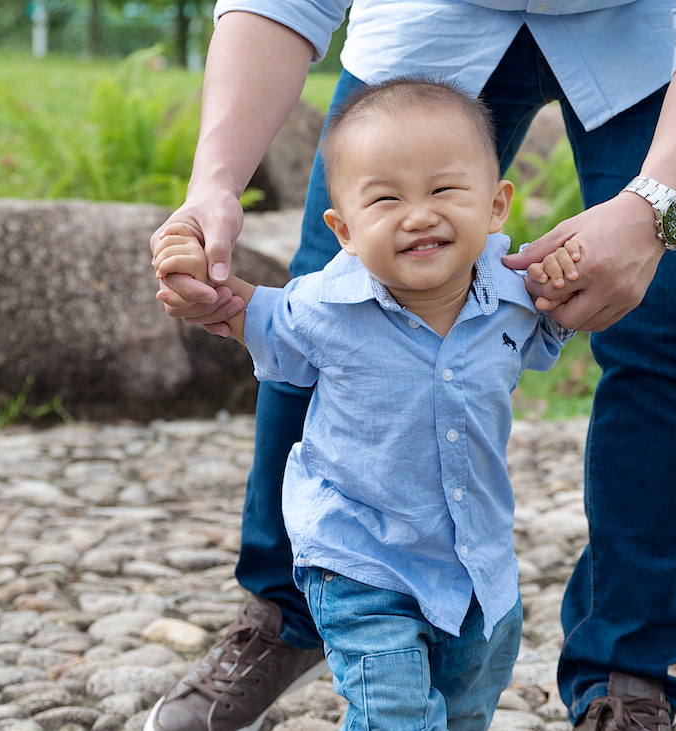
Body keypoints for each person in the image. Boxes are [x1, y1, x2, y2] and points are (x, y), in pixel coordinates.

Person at [147, 3, 676, 731]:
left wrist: (655, 206)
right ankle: (289, 607)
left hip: (652, 31)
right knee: (331, 293)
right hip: (430, 17)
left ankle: (627, 675)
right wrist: (214, 184)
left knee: (665, 324)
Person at [150, 76, 576, 731]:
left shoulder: (515, 298)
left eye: (443, 189)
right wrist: (194, 276)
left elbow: (556, 328)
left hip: (475, 562)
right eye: (386, 199)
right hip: (358, 559)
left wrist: (568, 280)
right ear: (344, 229)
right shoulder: (324, 305)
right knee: (396, 713)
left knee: (466, 705)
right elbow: (241, 309)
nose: (418, 214)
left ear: (496, 206)